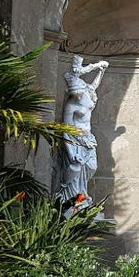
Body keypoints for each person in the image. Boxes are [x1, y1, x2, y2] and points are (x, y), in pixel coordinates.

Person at [52, 55, 108, 213]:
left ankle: (81, 197)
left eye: (77, 92)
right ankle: (68, 200)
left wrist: (101, 71)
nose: (75, 95)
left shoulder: (87, 94)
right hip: (75, 141)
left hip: (88, 139)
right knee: (74, 170)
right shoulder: (71, 105)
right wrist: (70, 152)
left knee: (91, 167)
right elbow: (65, 130)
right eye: (73, 93)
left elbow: (95, 85)